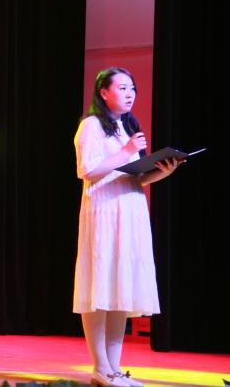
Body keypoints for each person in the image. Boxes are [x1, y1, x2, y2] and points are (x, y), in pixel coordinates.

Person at [74, 67, 182, 387]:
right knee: (100, 286)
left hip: (130, 211)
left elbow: (135, 177)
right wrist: (126, 151)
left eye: (132, 88)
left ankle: (115, 369)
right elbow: (87, 170)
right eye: (122, 88)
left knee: (120, 287)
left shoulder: (127, 125)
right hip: (104, 212)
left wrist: (163, 171)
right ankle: (101, 368)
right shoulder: (91, 125)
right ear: (103, 92)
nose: (129, 93)